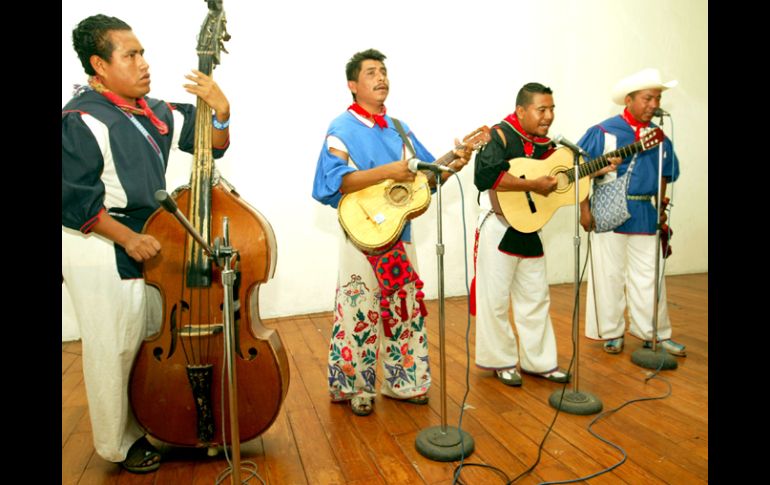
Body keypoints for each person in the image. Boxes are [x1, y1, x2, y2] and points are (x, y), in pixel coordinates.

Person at [62, 14, 231, 473]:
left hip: (147, 239)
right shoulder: (80, 119)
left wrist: (221, 110)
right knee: (113, 345)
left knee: (150, 339)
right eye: (130, 55)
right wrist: (127, 238)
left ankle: (158, 417)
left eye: (143, 53)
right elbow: (74, 201)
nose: (143, 63)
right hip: (98, 241)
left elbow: (209, 144)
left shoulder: (152, 110)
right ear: (99, 65)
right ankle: (118, 443)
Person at [312, 48, 469, 416]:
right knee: (359, 309)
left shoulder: (400, 128)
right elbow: (330, 183)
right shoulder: (341, 129)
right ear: (352, 85)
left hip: (400, 231)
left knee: (404, 308)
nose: (381, 78)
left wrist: (454, 165)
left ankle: (406, 383)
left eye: (383, 71)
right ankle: (356, 388)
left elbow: (425, 177)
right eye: (370, 73)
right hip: (360, 235)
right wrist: (388, 172)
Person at [471, 83, 575, 387]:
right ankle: (500, 361)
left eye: (552, 109)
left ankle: (539, 362)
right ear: (521, 110)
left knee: (536, 296)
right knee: (495, 299)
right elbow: (484, 176)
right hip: (498, 226)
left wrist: (598, 169)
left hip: (530, 227)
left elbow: (563, 178)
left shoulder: (548, 145)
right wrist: (531, 186)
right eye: (541, 109)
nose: (548, 116)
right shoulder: (500, 134)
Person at [577, 68, 684, 356]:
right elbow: (580, 172)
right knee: (609, 275)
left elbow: (665, 172)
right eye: (648, 98)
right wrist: (584, 211)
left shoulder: (659, 135)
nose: (654, 104)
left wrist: (661, 206)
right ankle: (611, 332)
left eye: (657, 98)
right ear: (629, 99)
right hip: (608, 212)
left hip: (645, 212)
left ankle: (654, 333)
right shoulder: (603, 131)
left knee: (651, 275)